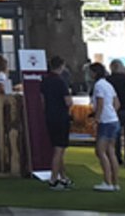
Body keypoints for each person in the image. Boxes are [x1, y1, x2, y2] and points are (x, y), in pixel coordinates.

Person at [90, 62, 121, 191]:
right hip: (113, 119)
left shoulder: (98, 86)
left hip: (105, 121)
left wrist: (96, 120)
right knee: (111, 151)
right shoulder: (108, 84)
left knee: (100, 151)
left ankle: (107, 181)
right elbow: (117, 103)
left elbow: (100, 103)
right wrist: (112, 112)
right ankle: (115, 182)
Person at [43, 56, 73, 190]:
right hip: (61, 117)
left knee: (57, 147)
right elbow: (68, 101)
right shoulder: (61, 82)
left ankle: (63, 177)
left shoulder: (45, 80)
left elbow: (42, 100)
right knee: (59, 149)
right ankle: (53, 179)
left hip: (49, 116)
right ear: (61, 66)